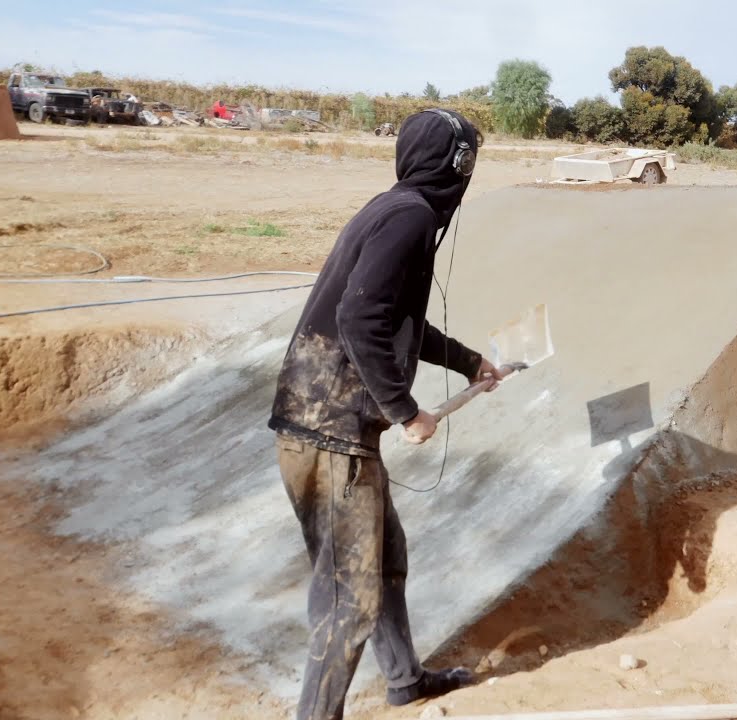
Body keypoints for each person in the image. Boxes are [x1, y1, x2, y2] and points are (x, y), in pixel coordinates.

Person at [267, 108, 503, 720]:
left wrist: (469, 361)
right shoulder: (410, 218)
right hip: (332, 431)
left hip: (327, 424)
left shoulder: (395, 209)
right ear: (454, 164)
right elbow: (358, 318)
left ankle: (404, 680)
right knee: (349, 598)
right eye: (466, 158)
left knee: (387, 557)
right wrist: (406, 411)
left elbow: (397, 319)